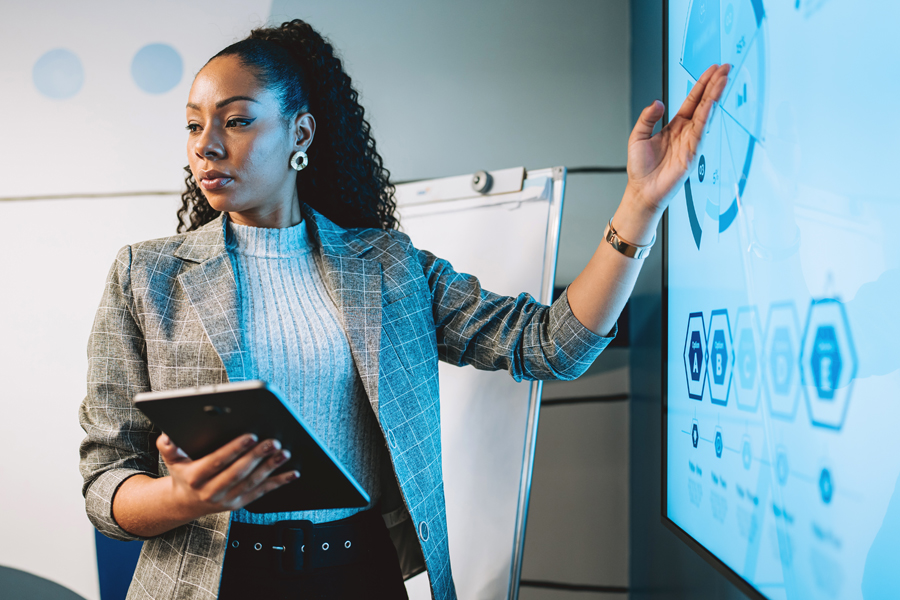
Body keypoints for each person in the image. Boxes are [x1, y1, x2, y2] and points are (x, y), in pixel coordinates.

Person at [78, 18, 729, 600]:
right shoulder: (148, 275)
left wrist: (640, 204)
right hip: (211, 580)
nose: (207, 145)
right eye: (194, 124)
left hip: (356, 576)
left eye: (237, 119)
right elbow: (107, 484)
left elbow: (551, 345)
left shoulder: (387, 267)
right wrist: (179, 496)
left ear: (300, 131)